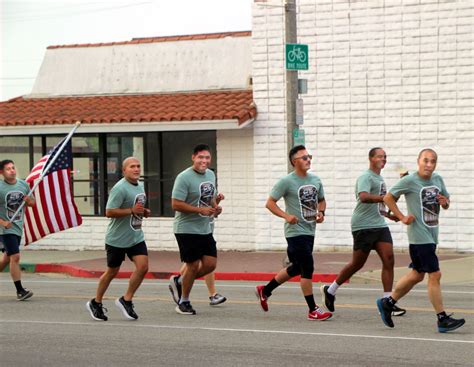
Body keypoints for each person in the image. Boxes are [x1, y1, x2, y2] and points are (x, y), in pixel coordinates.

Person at [377, 148, 465, 333]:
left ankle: (388, 303)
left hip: (432, 234)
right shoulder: (409, 180)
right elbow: (388, 197)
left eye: (433, 161)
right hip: (419, 236)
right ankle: (442, 319)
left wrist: (445, 202)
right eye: (426, 160)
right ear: (418, 161)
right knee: (435, 274)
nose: (429, 164)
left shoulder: (438, 179)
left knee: (417, 274)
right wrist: (401, 217)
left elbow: (446, 201)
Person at [320, 148, 406, 317]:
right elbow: (364, 197)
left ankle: (387, 301)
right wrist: (385, 198)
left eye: (385, 156)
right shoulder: (365, 177)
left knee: (389, 259)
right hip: (363, 226)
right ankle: (330, 290)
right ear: (371, 159)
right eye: (380, 156)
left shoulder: (380, 179)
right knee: (357, 264)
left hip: (379, 225)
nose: (384, 159)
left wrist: (389, 215)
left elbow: (378, 206)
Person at [255, 145, 332, 321]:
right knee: (307, 267)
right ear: (294, 161)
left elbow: (321, 200)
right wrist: (286, 216)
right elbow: (270, 203)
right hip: (294, 231)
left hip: (310, 230)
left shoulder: (316, 180)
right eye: (304, 157)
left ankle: (265, 290)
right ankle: (313, 309)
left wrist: (321, 213)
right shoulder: (286, 181)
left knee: (297, 267)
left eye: (309, 156)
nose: (308, 160)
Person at [86, 157, 150, 321]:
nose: (136, 169)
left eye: (138, 166)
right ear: (124, 170)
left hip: (135, 236)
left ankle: (126, 299)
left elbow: (137, 208)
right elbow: (109, 211)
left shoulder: (140, 186)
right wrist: (131, 210)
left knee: (143, 267)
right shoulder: (120, 188)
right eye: (132, 167)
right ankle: (96, 302)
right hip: (117, 239)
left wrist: (144, 211)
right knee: (112, 272)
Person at [168, 144, 224, 315]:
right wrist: (200, 210)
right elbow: (175, 204)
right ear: (193, 158)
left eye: (207, 157)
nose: (204, 161)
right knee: (192, 266)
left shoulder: (210, 174)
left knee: (210, 264)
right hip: (186, 229)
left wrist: (216, 206)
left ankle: (180, 280)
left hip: (204, 228)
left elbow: (209, 198)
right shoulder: (184, 177)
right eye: (200, 157)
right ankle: (183, 301)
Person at [0, 159, 36, 300]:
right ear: (2, 172)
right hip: (4, 229)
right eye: (8, 169)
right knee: (15, 256)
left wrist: (28, 201)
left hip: (17, 227)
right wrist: (3, 222)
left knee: (7, 259)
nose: (12, 170)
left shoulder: (24, 185)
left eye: (13, 168)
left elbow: (32, 203)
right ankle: (20, 291)